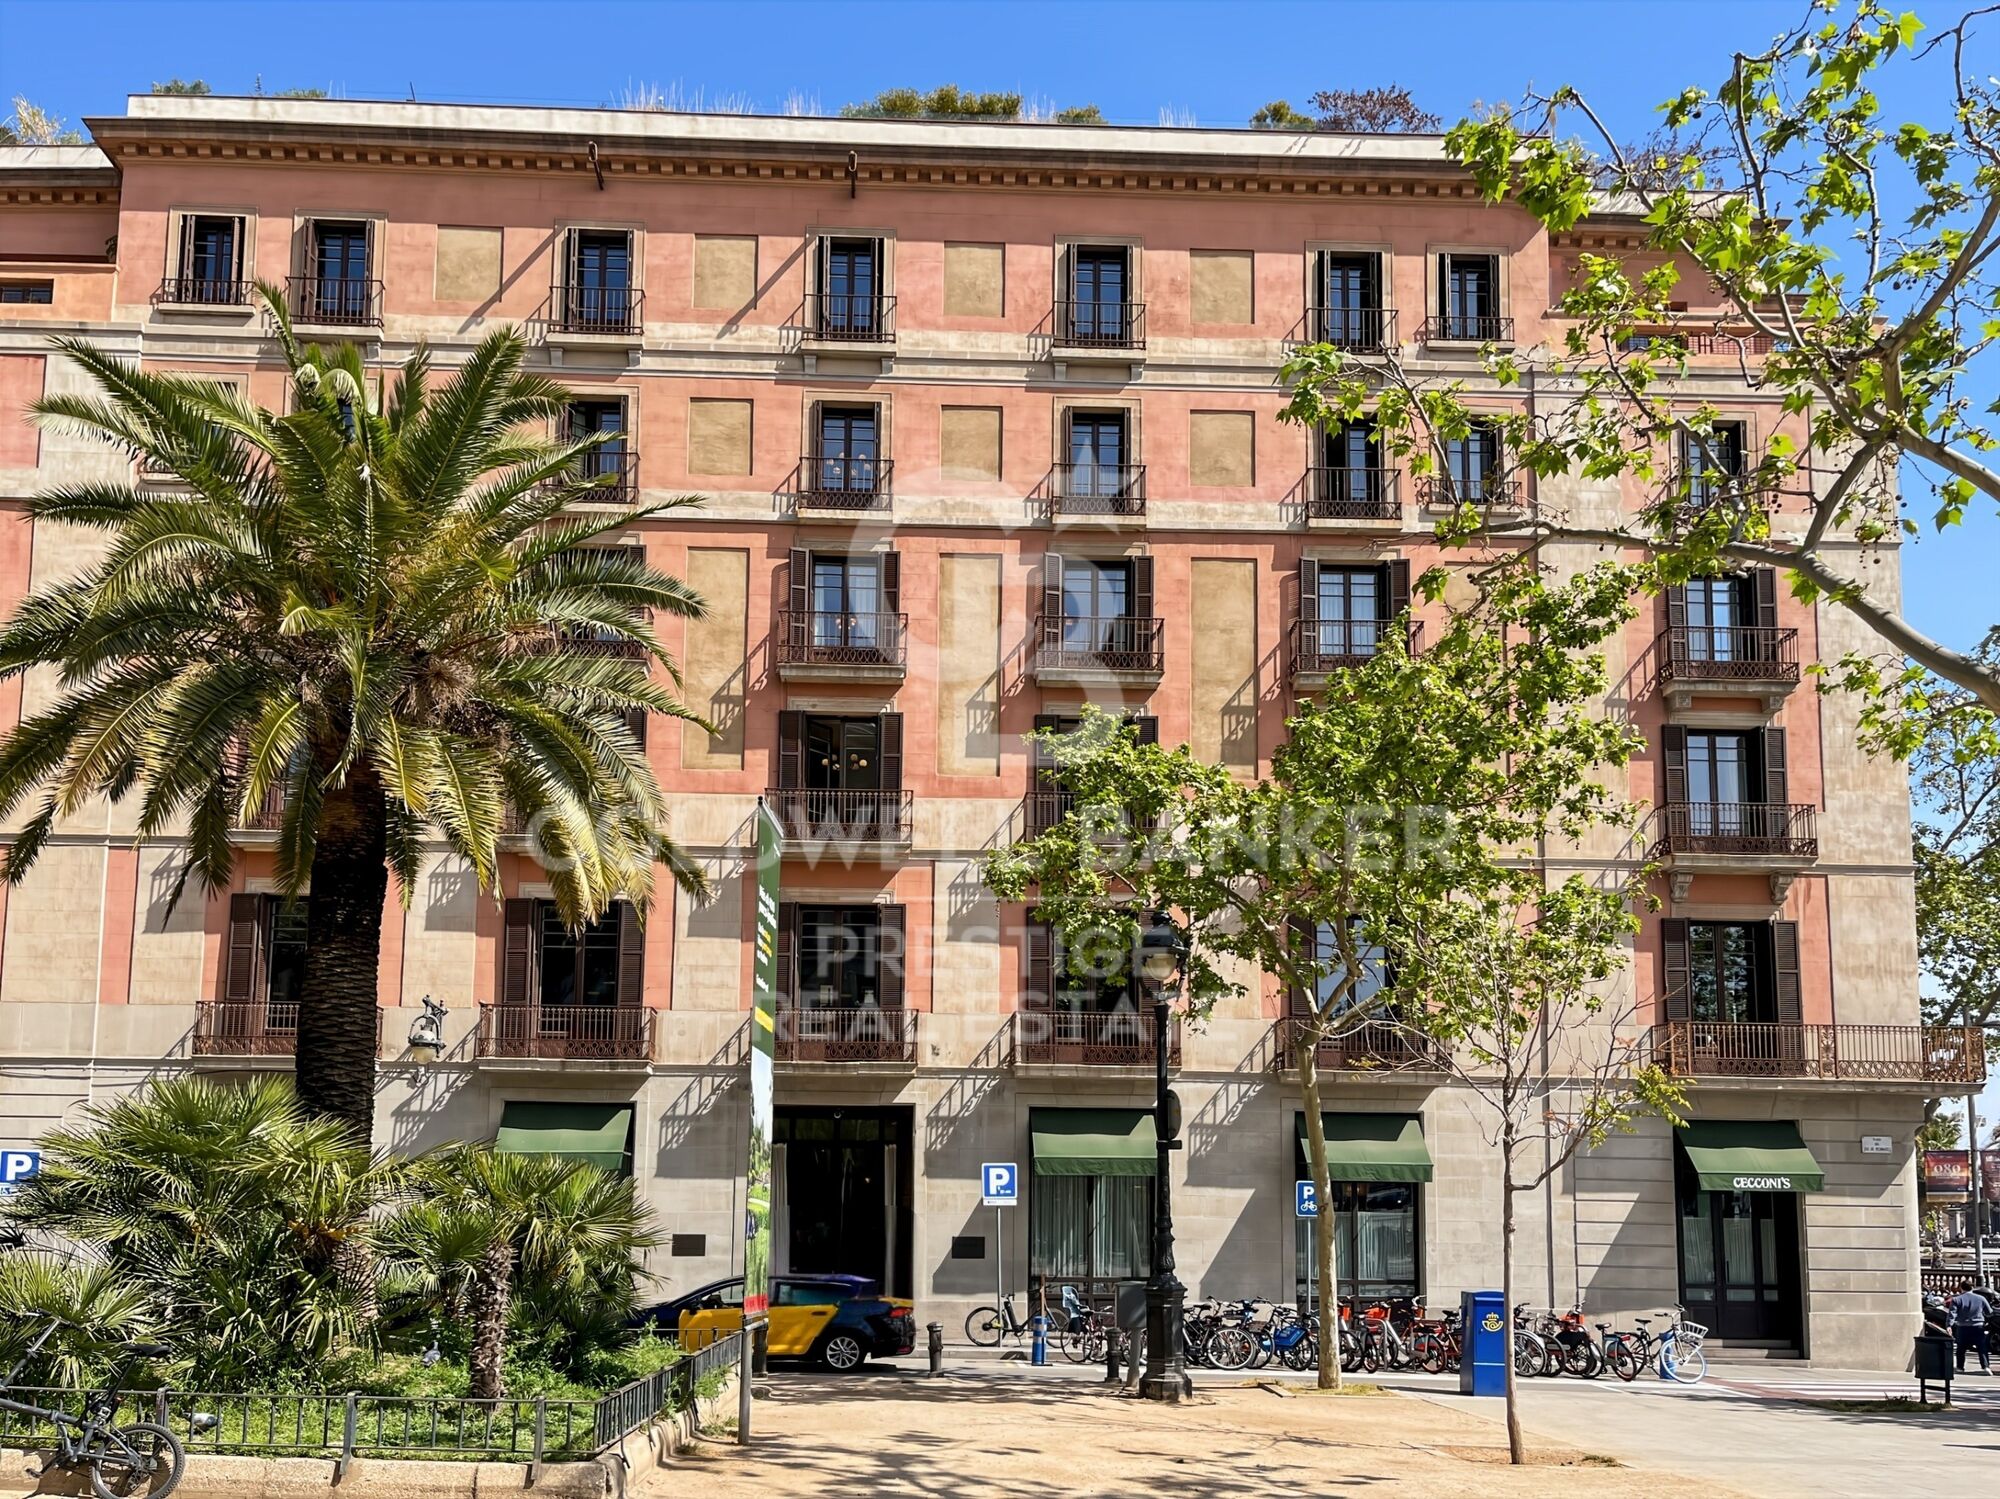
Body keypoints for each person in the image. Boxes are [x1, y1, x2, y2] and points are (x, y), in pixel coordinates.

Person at [1950, 1278, 1992, 1374]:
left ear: (1961, 1288)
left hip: (1962, 1326)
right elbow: (1989, 1312)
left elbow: (1952, 1314)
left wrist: (1949, 1325)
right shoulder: (1981, 1298)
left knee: (1961, 1348)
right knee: (1982, 1347)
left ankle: (1960, 1367)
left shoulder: (1957, 1299)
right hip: (1978, 1326)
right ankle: (1985, 1367)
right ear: (1972, 1287)